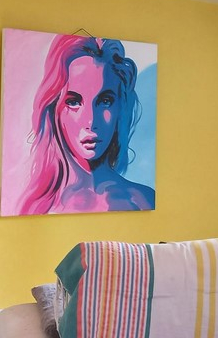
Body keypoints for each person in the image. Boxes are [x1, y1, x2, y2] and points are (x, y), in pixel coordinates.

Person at [17, 35, 155, 215]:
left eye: (105, 101)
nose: (91, 121)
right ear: (54, 110)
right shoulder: (36, 210)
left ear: (120, 109)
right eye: (73, 102)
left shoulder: (144, 200)